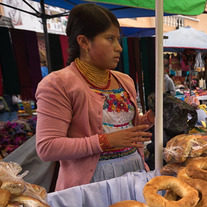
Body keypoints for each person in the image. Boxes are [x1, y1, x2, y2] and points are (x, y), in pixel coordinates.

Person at [35, 3, 154, 191]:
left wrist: (149, 118)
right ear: (83, 42)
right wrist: (105, 142)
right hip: (91, 184)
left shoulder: (124, 80)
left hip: (134, 173)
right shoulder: (58, 84)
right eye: (110, 39)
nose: (119, 48)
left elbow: (123, 127)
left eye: (118, 39)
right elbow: (47, 147)